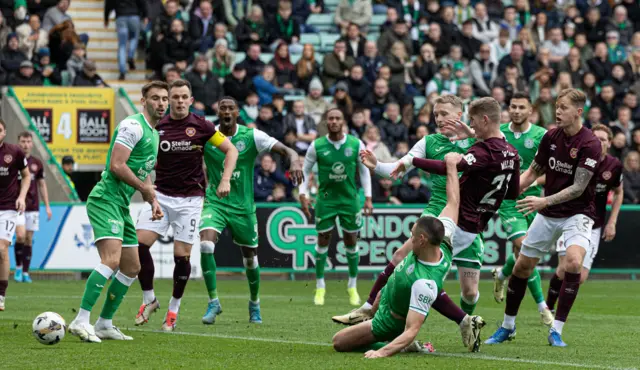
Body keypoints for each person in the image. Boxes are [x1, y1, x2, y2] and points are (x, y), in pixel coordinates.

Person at [333, 95, 483, 339]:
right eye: (436, 115)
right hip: (436, 212)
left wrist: (474, 137)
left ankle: (466, 323)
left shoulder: (478, 142)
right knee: (401, 255)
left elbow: (502, 154)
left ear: (460, 114)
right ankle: (368, 307)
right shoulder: (429, 142)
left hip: (467, 219)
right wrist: (376, 165)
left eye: (445, 113)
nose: (440, 119)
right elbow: (399, 167)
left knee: (469, 292)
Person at [485, 88, 602, 347]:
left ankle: (556, 330)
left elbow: (579, 188)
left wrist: (543, 200)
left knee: (573, 262)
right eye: (557, 107)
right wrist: (509, 192)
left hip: (577, 212)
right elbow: (531, 172)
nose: (557, 111)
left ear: (578, 112)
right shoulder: (551, 137)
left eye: (563, 107)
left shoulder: (590, 143)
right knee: (522, 267)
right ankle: (507, 326)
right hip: (548, 212)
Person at [331, 155, 467, 357]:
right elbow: (454, 201)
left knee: (339, 342)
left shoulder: (425, 283)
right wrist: (451, 166)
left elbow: (412, 329)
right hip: (386, 298)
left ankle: (401, 346)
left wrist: (382, 353)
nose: (409, 240)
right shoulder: (444, 237)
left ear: (422, 240)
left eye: (412, 236)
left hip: (388, 320)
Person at [67, 81, 170, 343]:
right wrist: (143, 190)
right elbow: (116, 165)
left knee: (132, 266)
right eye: (155, 98)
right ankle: (81, 320)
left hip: (121, 204)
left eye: (164, 99)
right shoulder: (132, 126)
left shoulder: (155, 133)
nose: (161, 103)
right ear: (143, 101)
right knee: (111, 260)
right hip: (105, 199)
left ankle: (104, 323)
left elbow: (143, 172)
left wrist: (152, 199)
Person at [133, 80, 238, 332]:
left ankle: (173, 310)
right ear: (168, 100)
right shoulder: (157, 126)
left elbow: (231, 150)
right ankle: (149, 300)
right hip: (161, 197)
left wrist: (224, 179)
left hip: (190, 200)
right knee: (138, 246)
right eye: (175, 97)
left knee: (182, 257)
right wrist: (148, 191)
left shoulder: (202, 125)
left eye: (184, 97)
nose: (179, 101)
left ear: (190, 100)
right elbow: (144, 161)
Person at [199, 97, 303, 325]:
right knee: (206, 244)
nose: (226, 111)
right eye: (222, 107)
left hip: (243, 208)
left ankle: (254, 303)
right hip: (215, 202)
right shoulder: (207, 135)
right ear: (218, 111)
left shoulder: (252, 136)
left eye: (231, 108)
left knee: (250, 260)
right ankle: (213, 301)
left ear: (238, 112)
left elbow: (285, 149)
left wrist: (294, 159)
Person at [298, 108, 373, 306]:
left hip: (349, 200)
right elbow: (304, 171)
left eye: (337, 118)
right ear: (326, 122)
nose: (333, 121)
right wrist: (302, 193)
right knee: (323, 240)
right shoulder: (317, 145)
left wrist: (368, 197)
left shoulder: (356, 144)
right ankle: (320, 286)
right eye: (330, 118)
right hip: (325, 201)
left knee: (350, 240)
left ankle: (352, 286)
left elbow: (364, 172)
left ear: (343, 122)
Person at [490, 93, 553, 325]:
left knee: (525, 256)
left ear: (530, 111)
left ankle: (503, 274)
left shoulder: (541, 135)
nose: (516, 111)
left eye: (521, 107)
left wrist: (534, 182)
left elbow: (552, 170)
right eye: (513, 106)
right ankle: (542, 306)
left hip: (534, 201)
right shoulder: (499, 134)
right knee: (525, 248)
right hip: (508, 202)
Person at [547, 124, 624, 308]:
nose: (599, 142)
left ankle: (557, 307)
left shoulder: (614, 166)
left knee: (580, 277)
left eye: (603, 139)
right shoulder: (579, 158)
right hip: (571, 218)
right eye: (595, 138)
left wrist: (612, 222)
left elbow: (619, 191)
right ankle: (548, 308)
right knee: (565, 268)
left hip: (594, 224)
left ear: (610, 143)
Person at [0, 119, 31, 311]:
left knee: (2, 249)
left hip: (8, 208)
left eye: (0, 130)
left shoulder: (14, 152)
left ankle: (1, 294)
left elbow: (26, 175)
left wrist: (22, 196)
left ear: (4, 133)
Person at [12, 132, 51, 284]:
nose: (26, 144)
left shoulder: (37, 163)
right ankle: (18, 268)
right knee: (20, 235)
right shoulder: (13, 160)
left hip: (33, 206)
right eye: (23, 141)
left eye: (28, 141)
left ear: (32, 144)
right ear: (18, 142)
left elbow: (42, 184)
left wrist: (47, 206)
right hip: (16, 204)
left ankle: (26, 273)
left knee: (29, 238)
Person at [104, 0, 147, 80]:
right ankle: (130, 56)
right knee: (134, 38)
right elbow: (142, 2)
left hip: (120, 16)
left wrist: (106, 18)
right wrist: (145, 15)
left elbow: (108, 4)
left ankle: (122, 71)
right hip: (134, 15)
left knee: (122, 45)